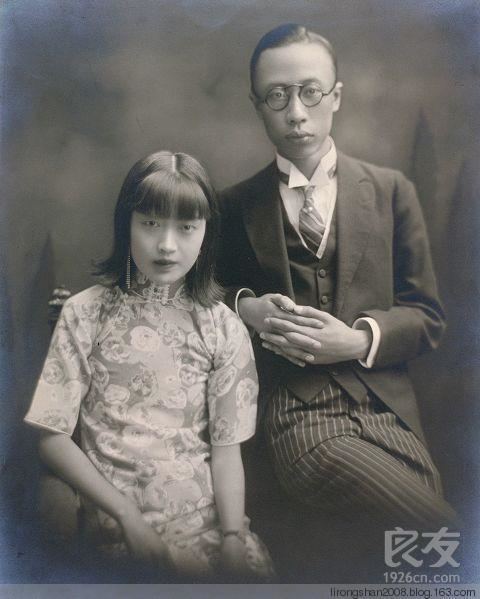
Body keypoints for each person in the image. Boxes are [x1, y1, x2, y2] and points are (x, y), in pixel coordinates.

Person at [217, 24, 458, 575]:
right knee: (445, 532)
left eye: (310, 92)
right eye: (277, 96)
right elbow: (204, 289)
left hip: (389, 413)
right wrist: (247, 307)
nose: (296, 112)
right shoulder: (235, 206)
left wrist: (355, 339)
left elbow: (427, 316)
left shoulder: (392, 190)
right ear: (258, 105)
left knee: (422, 550)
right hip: (301, 416)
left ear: (337, 97)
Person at [24, 151, 275, 582]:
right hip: (115, 522)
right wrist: (127, 517)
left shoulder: (222, 328)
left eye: (186, 227)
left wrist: (233, 537)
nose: (166, 245)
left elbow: (226, 449)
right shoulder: (84, 314)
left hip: (207, 525)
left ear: (205, 234)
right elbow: (52, 437)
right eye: (151, 223)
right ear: (127, 225)